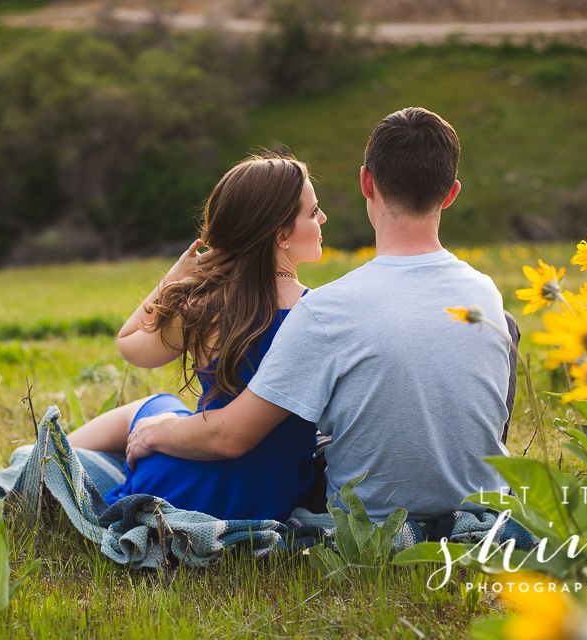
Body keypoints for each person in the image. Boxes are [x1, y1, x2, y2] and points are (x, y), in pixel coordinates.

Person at [125, 107, 515, 522]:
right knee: (505, 326)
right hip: (478, 505)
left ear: (367, 181)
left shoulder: (328, 308)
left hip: (369, 518)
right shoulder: (485, 292)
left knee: (151, 410)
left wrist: (156, 431)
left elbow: (231, 435)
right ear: (451, 193)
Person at [67, 154, 326, 521]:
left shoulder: (204, 309)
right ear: (282, 235)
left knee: (155, 405)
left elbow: (129, 342)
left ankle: (47, 456)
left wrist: (174, 276)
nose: (323, 219)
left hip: (183, 487)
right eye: (314, 212)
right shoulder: (318, 315)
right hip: (273, 495)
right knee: (161, 409)